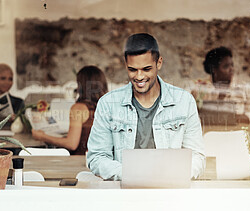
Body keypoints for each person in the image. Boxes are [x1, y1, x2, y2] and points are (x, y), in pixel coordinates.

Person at [87, 33, 205, 180]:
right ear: (126, 65)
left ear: (159, 63)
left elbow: (197, 157)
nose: (139, 76)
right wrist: (130, 174)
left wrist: (174, 176)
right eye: (132, 69)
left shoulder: (184, 101)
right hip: (124, 191)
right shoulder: (108, 104)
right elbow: (97, 157)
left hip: (170, 191)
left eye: (146, 69)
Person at [31, 66, 108, 155]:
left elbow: (72, 144)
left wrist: (42, 136)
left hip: (81, 161)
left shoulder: (79, 108)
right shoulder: (107, 106)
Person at [191, 46, 250, 124]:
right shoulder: (199, 88)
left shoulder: (244, 88)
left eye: (232, 65)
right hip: (208, 133)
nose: (231, 69)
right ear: (214, 69)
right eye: (226, 66)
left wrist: (243, 117)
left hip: (237, 132)